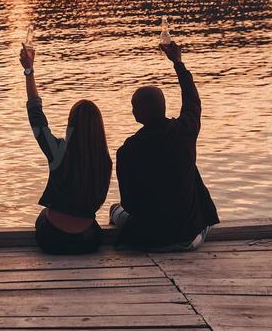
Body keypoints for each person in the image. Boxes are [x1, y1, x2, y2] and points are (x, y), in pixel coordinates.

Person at [110, 41, 219, 251]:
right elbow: (192, 101)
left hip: (149, 240)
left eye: (133, 107)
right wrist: (178, 63)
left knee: (116, 210)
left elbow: (130, 205)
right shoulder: (184, 132)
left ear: (137, 115)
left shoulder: (127, 151)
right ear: (163, 107)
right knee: (204, 211)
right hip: (189, 238)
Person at [21, 44, 112, 254]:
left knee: (43, 216)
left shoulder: (59, 151)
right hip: (88, 239)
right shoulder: (104, 160)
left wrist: (29, 71)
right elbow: (97, 203)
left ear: (71, 123)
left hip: (52, 236)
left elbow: (36, 116)